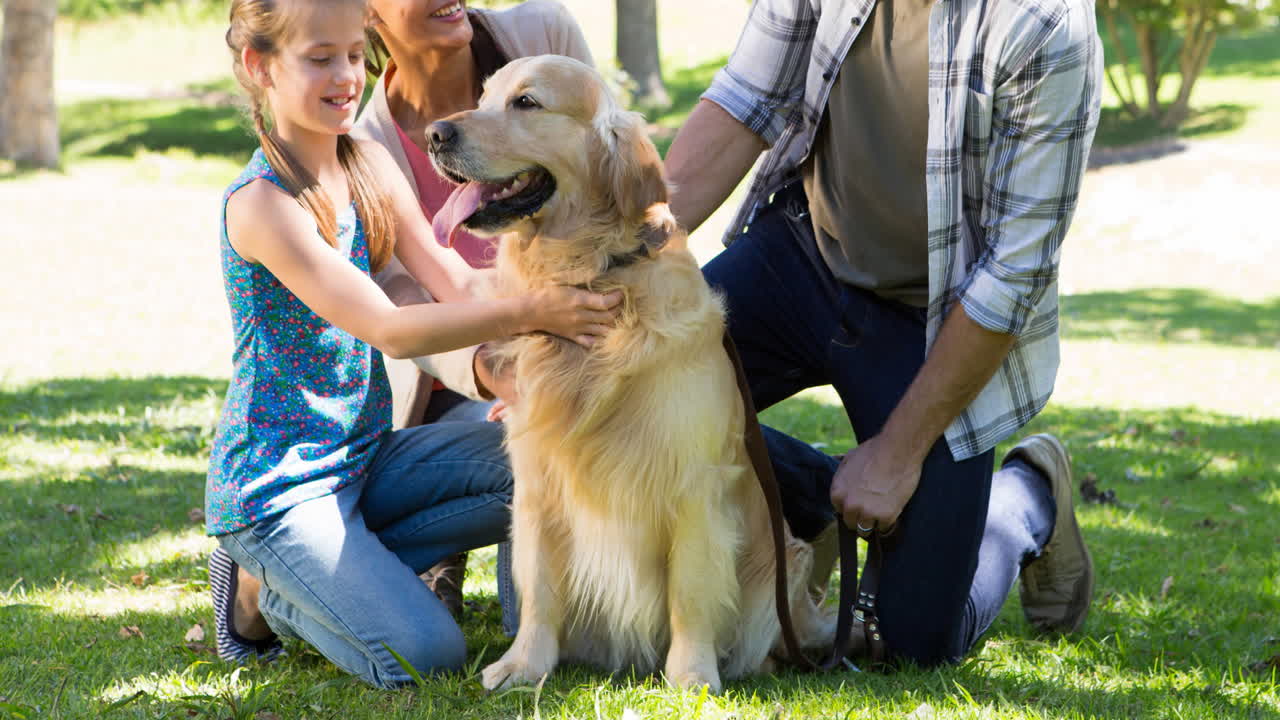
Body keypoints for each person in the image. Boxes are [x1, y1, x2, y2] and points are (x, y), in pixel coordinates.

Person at [664, 0, 1102, 666]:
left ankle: (1027, 495)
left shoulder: (1044, 24)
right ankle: (816, 490)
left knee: (911, 640)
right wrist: (621, 264)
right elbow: (745, 100)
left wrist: (898, 455)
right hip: (801, 254)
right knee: (646, 390)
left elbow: (1013, 274)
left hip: (934, 320)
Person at [206, 0, 619, 688]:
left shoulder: (366, 161)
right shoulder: (262, 205)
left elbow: (453, 278)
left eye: (350, 56)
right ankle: (264, 592)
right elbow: (391, 330)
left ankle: (329, 571)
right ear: (259, 65)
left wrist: (525, 369)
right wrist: (533, 311)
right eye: (318, 59)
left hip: (364, 459)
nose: (344, 77)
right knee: (426, 655)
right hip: (279, 489)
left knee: (547, 453)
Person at [349, 0, 593, 623]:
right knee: (532, 624)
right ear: (366, 14)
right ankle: (432, 545)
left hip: (580, 331)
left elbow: (602, 176)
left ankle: (808, 495)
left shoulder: (545, 34)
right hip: (459, 382)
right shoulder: (363, 145)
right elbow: (402, 302)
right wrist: (498, 374)